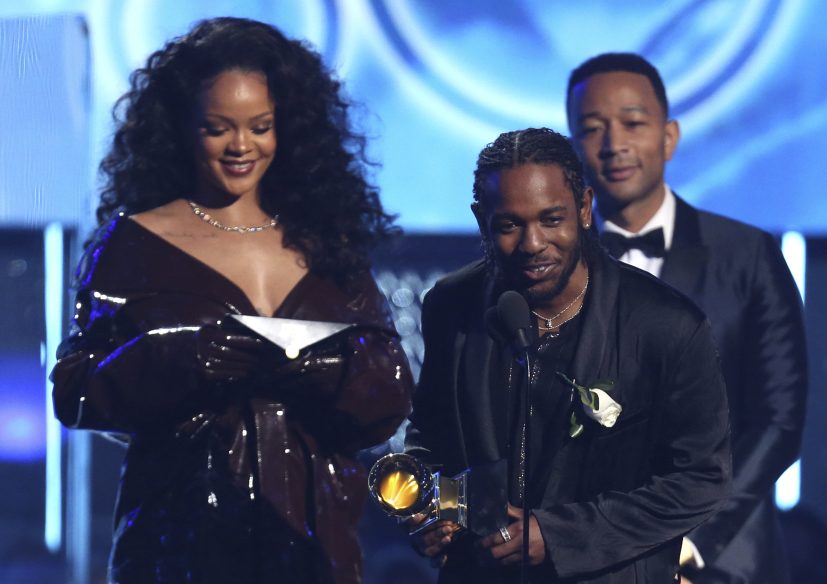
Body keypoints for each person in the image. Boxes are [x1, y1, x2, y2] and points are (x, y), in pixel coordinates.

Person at [50, 17, 413, 584]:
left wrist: (324, 368)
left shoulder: (325, 243)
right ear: (183, 129)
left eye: (261, 126)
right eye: (218, 128)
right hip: (179, 544)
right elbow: (74, 390)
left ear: (288, 128)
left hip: (315, 543)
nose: (242, 146)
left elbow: (387, 398)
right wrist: (184, 359)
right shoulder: (133, 242)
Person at [404, 127, 731, 583]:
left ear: (583, 208)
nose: (533, 243)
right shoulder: (452, 305)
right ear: (482, 220)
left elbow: (700, 479)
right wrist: (430, 510)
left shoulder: (665, 324)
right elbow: (432, 435)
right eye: (510, 224)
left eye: (551, 219)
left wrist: (559, 535)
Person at [566, 53, 808, 584]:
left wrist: (694, 537)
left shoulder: (747, 256)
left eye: (633, 123)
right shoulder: (551, 265)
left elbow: (780, 419)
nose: (614, 145)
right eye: (591, 129)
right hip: (583, 559)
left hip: (724, 559)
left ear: (669, 135)